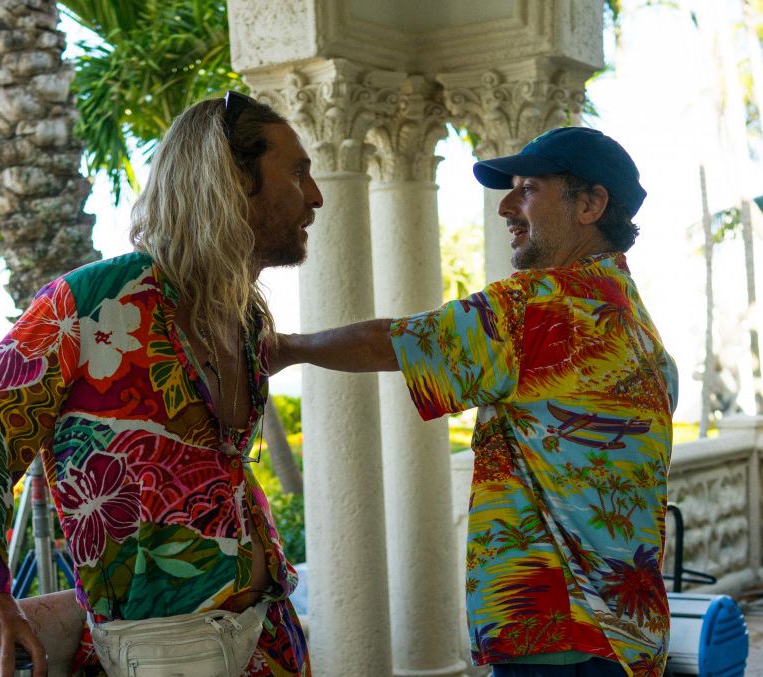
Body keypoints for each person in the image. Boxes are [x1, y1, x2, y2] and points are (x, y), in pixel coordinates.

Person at [0, 91, 322, 677]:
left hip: (269, 637)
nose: (315, 196)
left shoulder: (239, 319)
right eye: (296, 173)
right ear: (232, 182)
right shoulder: (96, 301)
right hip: (160, 652)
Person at [272, 127, 677, 677]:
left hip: (558, 630)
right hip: (628, 636)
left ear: (590, 204)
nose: (506, 207)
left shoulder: (541, 306)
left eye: (528, 189)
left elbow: (391, 342)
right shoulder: (636, 322)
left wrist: (283, 348)